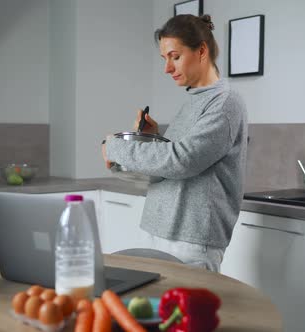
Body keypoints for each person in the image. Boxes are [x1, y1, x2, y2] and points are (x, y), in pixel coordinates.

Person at [102, 14, 248, 272]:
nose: (167, 68)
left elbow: (183, 161)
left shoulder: (225, 102)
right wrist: (152, 138)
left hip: (191, 240)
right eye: (164, 58)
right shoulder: (194, 100)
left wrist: (115, 146)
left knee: (188, 313)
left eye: (175, 56)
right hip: (160, 230)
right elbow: (171, 167)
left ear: (201, 50)